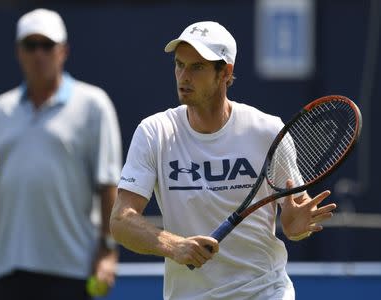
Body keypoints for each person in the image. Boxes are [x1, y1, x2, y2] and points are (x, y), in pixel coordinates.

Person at [110, 21, 336, 299]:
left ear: (225, 73)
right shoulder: (154, 132)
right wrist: (175, 245)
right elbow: (121, 221)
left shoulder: (267, 131)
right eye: (179, 65)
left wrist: (297, 228)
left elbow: (294, 217)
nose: (184, 76)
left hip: (265, 292)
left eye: (197, 67)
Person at [0, 8, 122, 300]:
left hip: (73, 269)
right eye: (31, 45)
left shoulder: (93, 105)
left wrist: (108, 252)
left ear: (63, 50)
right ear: (19, 52)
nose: (39, 54)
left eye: (47, 45)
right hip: (7, 269)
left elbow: (108, 186)